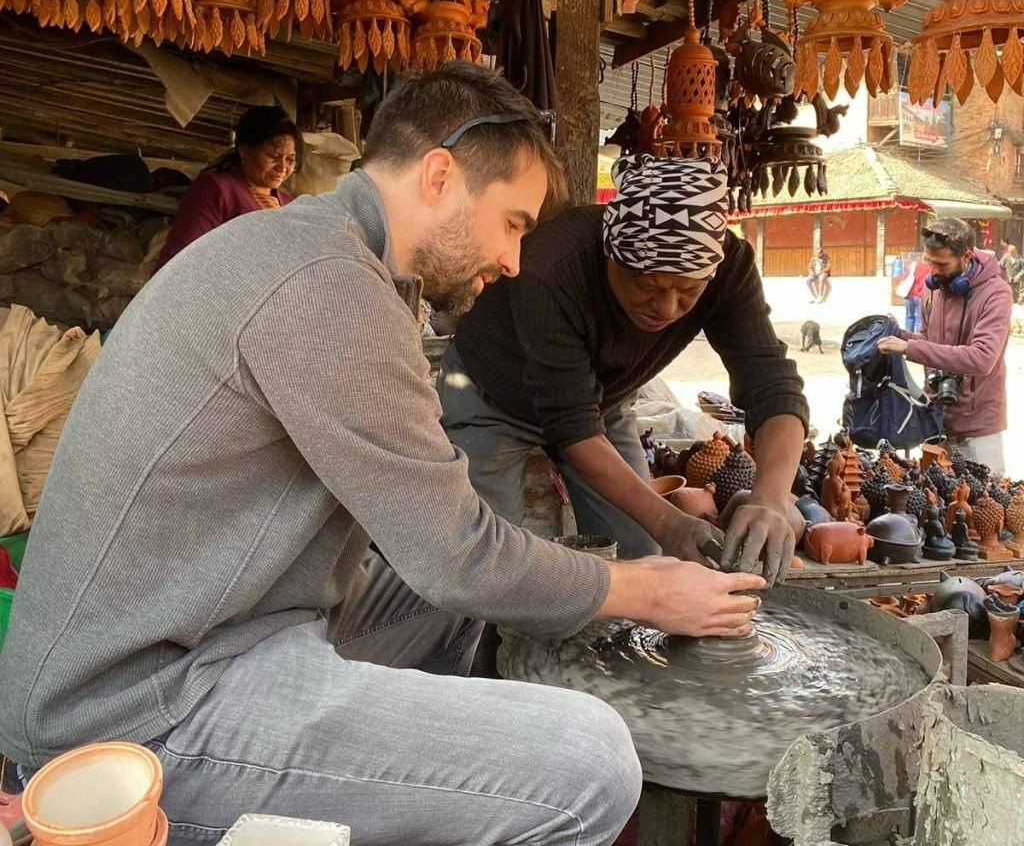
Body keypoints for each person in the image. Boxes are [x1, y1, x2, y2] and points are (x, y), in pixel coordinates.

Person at [0, 65, 766, 846]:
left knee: (463, 600)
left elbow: (446, 543)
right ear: (439, 177)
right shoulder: (327, 282)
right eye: (512, 223)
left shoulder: (325, 251)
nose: (513, 260)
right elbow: (459, 555)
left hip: (224, 626)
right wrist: (642, 589)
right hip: (133, 715)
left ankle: (407, 791)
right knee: (590, 762)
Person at [439, 153, 809, 578]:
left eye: (688, 291)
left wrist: (770, 500)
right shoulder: (551, 265)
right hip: (491, 393)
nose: (666, 307)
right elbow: (571, 426)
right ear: (609, 255)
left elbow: (773, 387)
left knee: (638, 550)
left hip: (600, 401)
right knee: (482, 560)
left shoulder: (728, 268)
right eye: (647, 286)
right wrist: (668, 521)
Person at [879, 217, 1011, 472]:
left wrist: (910, 348)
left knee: (984, 496)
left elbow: (983, 358)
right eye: (929, 262)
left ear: (966, 257)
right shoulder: (933, 288)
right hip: (936, 421)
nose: (933, 271)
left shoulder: (997, 293)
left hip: (977, 428)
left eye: (941, 264)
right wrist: (898, 336)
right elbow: (929, 341)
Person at [155, 105, 299, 269]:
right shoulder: (215, 191)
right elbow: (179, 258)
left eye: (290, 159)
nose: (282, 167)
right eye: (273, 156)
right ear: (244, 152)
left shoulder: (290, 204)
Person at [899, 257, 929, 334]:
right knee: (920, 318)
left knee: (909, 316)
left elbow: (903, 277)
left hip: (909, 295)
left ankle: (908, 335)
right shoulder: (930, 268)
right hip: (921, 296)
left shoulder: (914, 265)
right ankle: (917, 336)